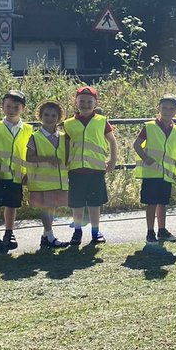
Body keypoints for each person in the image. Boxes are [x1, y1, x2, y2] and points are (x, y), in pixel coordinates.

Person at [64, 86, 118, 245]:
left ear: (95, 103)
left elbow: (112, 141)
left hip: (96, 170)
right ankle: (77, 231)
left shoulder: (102, 121)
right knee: (77, 203)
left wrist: (113, 160)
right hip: (76, 170)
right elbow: (66, 147)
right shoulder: (68, 123)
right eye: (82, 101)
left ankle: (96, 231)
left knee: (95, 203)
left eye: (89, 101)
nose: (85, 104)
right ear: (76, 101)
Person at [133, 94, 176, 250]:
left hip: (167, 173)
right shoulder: (150, 126)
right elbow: (136, 145)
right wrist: (146, 158)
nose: (167, 111)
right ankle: (150, 232)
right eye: (164, 108)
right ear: (159, 108)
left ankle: (162, 230)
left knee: (163, 203)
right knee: (151, 203)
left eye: (171, 108)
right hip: (151, 173)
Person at [0, 89, 32, 252]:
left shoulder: (27, 129)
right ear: (2, 107)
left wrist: (28, 173)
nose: (12, 110)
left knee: (12, 205)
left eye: (16, 107)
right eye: (8, 106)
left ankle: (9, 232)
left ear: (23, 109)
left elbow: (29, 152)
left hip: (17, 175)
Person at [26, 100, 69, 250]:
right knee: (47, 207)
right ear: (40, 116)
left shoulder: (64, 137)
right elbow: (29, 157)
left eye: (53, 115)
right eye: (46, 115)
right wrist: (46, 159)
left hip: (59, 179)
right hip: (42, 179)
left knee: (52, 207)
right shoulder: (35, 137)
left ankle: (46, 236)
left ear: (59, 117)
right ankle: (50, 236)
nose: (50, 118)